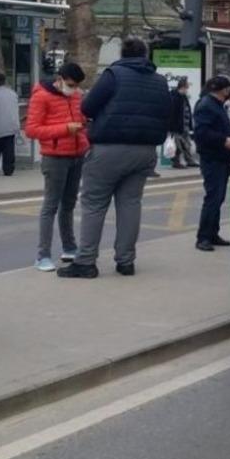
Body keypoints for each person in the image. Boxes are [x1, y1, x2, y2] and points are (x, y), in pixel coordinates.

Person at [58, 38, 170, 279]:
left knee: (94, 204)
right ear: (146, 55)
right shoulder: (160, 81)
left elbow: (87, 107)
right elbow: (167, 113)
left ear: (122, 53)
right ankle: (126, 261)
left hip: (110, 148)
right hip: (145, 151)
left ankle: (86, 261)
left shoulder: (114, 75)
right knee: (130, 204)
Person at [23, 63, 88, 272]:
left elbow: (82, 120)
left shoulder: (77, 95)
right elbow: (32, 130)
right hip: (55, 157)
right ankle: (42, 255)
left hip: (77, 155)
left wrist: (84, 137)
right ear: (59, 79)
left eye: (77, 86)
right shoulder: (41, 96)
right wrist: (64, 129)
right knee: (50, 206)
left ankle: (69, 247)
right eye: (70, 84)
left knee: (68, 204)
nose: (73, 89)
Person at [193, 76, 230, 252]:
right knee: (213, 198)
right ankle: (203, 237)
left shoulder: (216, 105)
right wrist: (224, 140)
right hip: (213, 158)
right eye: (228, 88)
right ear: (221, 89)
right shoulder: (206, 106)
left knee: (218, 198)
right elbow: (202, 133)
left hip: (221, 158)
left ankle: (213, 234)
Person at [168, 77, 198, 168]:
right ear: (183, 87)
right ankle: (176, 162)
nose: (188, 89)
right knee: (177, 145)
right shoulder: (175, 97)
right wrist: (172, 127)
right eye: (187, 87)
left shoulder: (182, 97)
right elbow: (173, 113)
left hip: (184, 125)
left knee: (186, 144)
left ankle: (189, 160)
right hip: (177, 126)